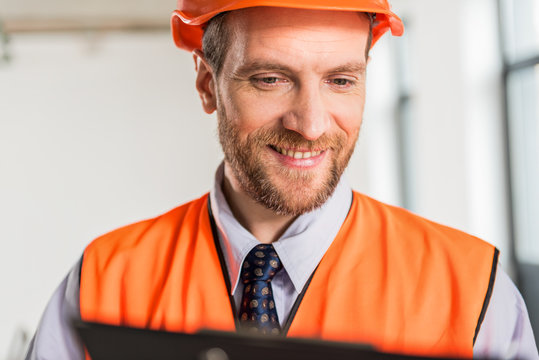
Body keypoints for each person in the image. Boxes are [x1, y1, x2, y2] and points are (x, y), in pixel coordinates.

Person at [26, 0, 538, 359]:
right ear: (208, 85)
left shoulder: (473, 293)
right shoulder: (102, 281)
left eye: (341, 81)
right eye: (271, 79)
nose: (311, 124)